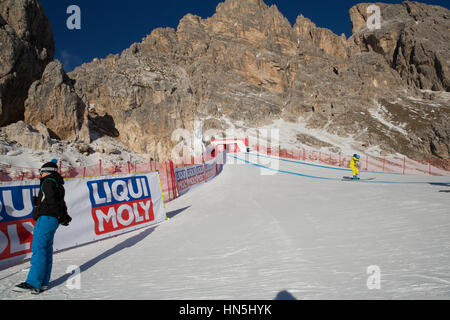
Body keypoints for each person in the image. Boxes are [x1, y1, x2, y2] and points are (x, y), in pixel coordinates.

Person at [13, 160, 71, 294]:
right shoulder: (57, 183)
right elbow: (58, 202)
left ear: (48, 172)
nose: (40, 174)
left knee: (39, 248)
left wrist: (41, 207)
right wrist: (40, 203)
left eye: (42, 171)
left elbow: (52, 201)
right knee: (46, 249)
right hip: (52, 219)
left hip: (46, 218)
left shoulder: (48, 182)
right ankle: (43, 282)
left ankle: (33, 282)